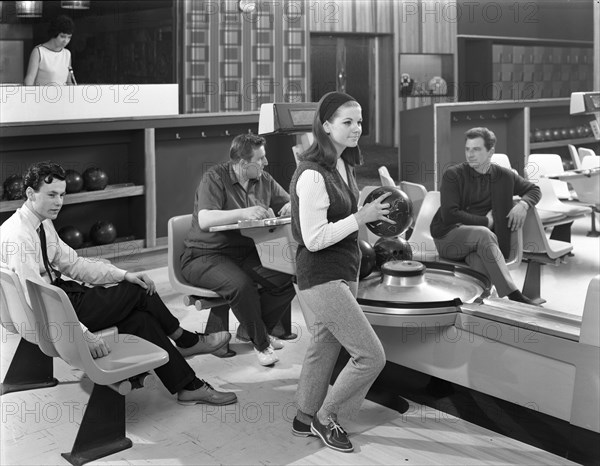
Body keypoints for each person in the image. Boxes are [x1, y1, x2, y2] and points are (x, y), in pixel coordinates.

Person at [0, 161, 237, 406]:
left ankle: (189, 386)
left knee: (140, 320)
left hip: (62, 299)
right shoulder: (18, 235)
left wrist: (122, 275)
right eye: (51, 195)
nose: (59, 202)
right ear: (30, 193)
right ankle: (185, 340)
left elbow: (74, 264)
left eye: (61, 195)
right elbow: (35, 295)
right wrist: (81, 334)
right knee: (138, 291)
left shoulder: (40, 222)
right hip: (58, 311)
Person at [289, 92, 392, 453]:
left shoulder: (343, 164)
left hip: (345, 269)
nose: (356, 128)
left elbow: (345, 218)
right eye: (347, 122)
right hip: (321, 275)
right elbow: (315, 239)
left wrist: (370, 214)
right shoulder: (313, 175)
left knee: (324, 344)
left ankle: (304, 417)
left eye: (359, 121)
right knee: (371, 355)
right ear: (326, 125)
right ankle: (327, 416)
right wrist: (359, 218)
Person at [180, 133, 296, 366]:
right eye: (261, 158)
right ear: (243, 164)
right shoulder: (214, 177)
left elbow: (288, 200)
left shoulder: (263, 179)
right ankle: (261, 344)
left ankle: (252, 330)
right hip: (203, 255)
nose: (265, 162)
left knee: (289, 276)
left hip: (243, 252)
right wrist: (244, 212)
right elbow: (205, 219)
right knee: (241, 285)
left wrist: (290, 205)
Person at [430, 127, 541, 305]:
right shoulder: (453, 175)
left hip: (482, 247)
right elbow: (450, 215)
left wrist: (523, 204)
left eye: (476, 149)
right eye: (467, 149)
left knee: (481, 267)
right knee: (483, 233)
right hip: (449, 239)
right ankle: (514, 295)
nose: (470, 154)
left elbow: (534, 190)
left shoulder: (505, 176)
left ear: (491, 152)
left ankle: (484, 304)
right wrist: (486, 221)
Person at [24, 15, 76, 86]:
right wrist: (28, 95)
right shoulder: (39, 51)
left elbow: (68, 81)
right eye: (62, 36)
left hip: (63, 96)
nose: (65, 41)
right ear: (54, 33)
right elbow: (30, 79)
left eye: (69, 37)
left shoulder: (67, 53)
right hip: (41, 95)